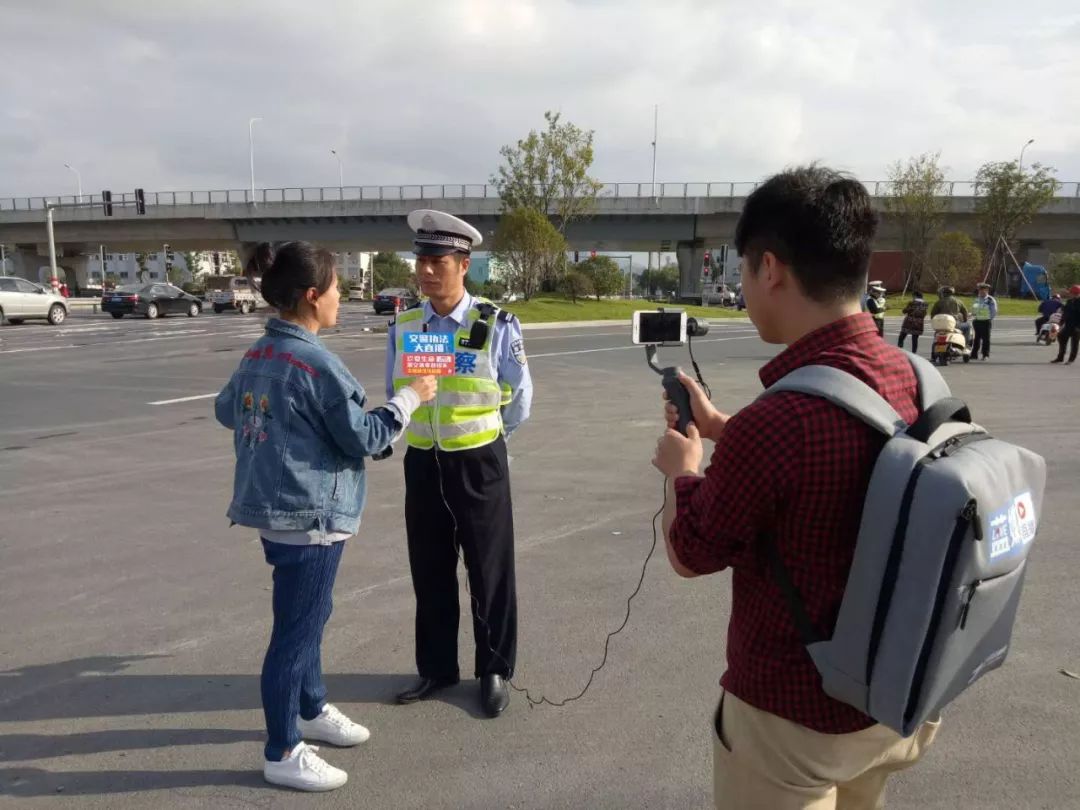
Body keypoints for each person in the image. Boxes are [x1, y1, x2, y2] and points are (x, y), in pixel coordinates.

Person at [652, 166, 939, 809]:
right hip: (895, 699)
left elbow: (689, 552)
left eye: (745, 268)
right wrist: (726, 427)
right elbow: (859, 461)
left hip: (794, 723)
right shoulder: (915, 379)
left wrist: (684, 467)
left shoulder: (779, 423)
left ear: (771, 269)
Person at [215, 241, 436, 791]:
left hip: (274, 510)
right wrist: (410, 399)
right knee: (296, 633)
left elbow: (227, 409)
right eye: (337, 289)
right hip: (310, 515)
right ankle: (283, 749)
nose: (342, 298)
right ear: (312, 297)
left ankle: (311, 707)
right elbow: (365, 436)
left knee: (308, 616)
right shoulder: (317, 364)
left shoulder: (260, 353)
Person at [388, 210, 533, 718]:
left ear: (463, 264)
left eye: (438, 261)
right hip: (424, 463)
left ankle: (493, 670)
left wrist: (488, 440)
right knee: (429, 568)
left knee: (489, 569)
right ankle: (436, 668)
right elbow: (397, 392)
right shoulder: (408, 324)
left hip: (479, 462)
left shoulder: (493, 322)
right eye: (421, 260)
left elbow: (519, 398)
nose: (427, 271)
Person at [1051, 284, 1080, 365]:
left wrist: (1078, 327)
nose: (1070, 294)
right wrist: (1060, 323)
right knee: (1061, 336)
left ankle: (1071, 359)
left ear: (1076, 293)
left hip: (1077, 326)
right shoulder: (1069, 301)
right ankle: (1060, 358)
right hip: (1068, 324)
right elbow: (1065, 313)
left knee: (1074, 343)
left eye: (1072, 293)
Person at [969, 282, 998, 360]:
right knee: (976, 339)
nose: (981, 291)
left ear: (987, 290)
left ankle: (985, 355)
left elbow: (994, 311)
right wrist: (971, 315)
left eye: (983, 290)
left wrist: (989, 318)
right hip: (977, 321)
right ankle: (974, 354)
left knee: (986, 339)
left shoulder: (990, 300)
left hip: (986, 322)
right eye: (980, 290)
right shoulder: (977, 299)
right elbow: (974, 309)